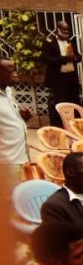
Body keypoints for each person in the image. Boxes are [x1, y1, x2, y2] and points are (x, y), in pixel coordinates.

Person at [43, 21, 82, 127]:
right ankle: (60, 125)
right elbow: (46, 59)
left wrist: (76, 58)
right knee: (59, 103)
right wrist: (64, 59)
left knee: (73, 101)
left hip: (71, 78)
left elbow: (78, 55)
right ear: (57, 29)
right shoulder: (49, 41)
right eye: (63, 30)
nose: (66, 32)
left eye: (67, 30)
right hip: (58, 79)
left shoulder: (70, 41)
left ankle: (74, 124)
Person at [0, 59, 31, 188]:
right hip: (7, 162)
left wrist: (23, 117)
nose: (15, 74)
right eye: (10, 71)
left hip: (22, 156)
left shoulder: (8, 91)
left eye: (15, 69)